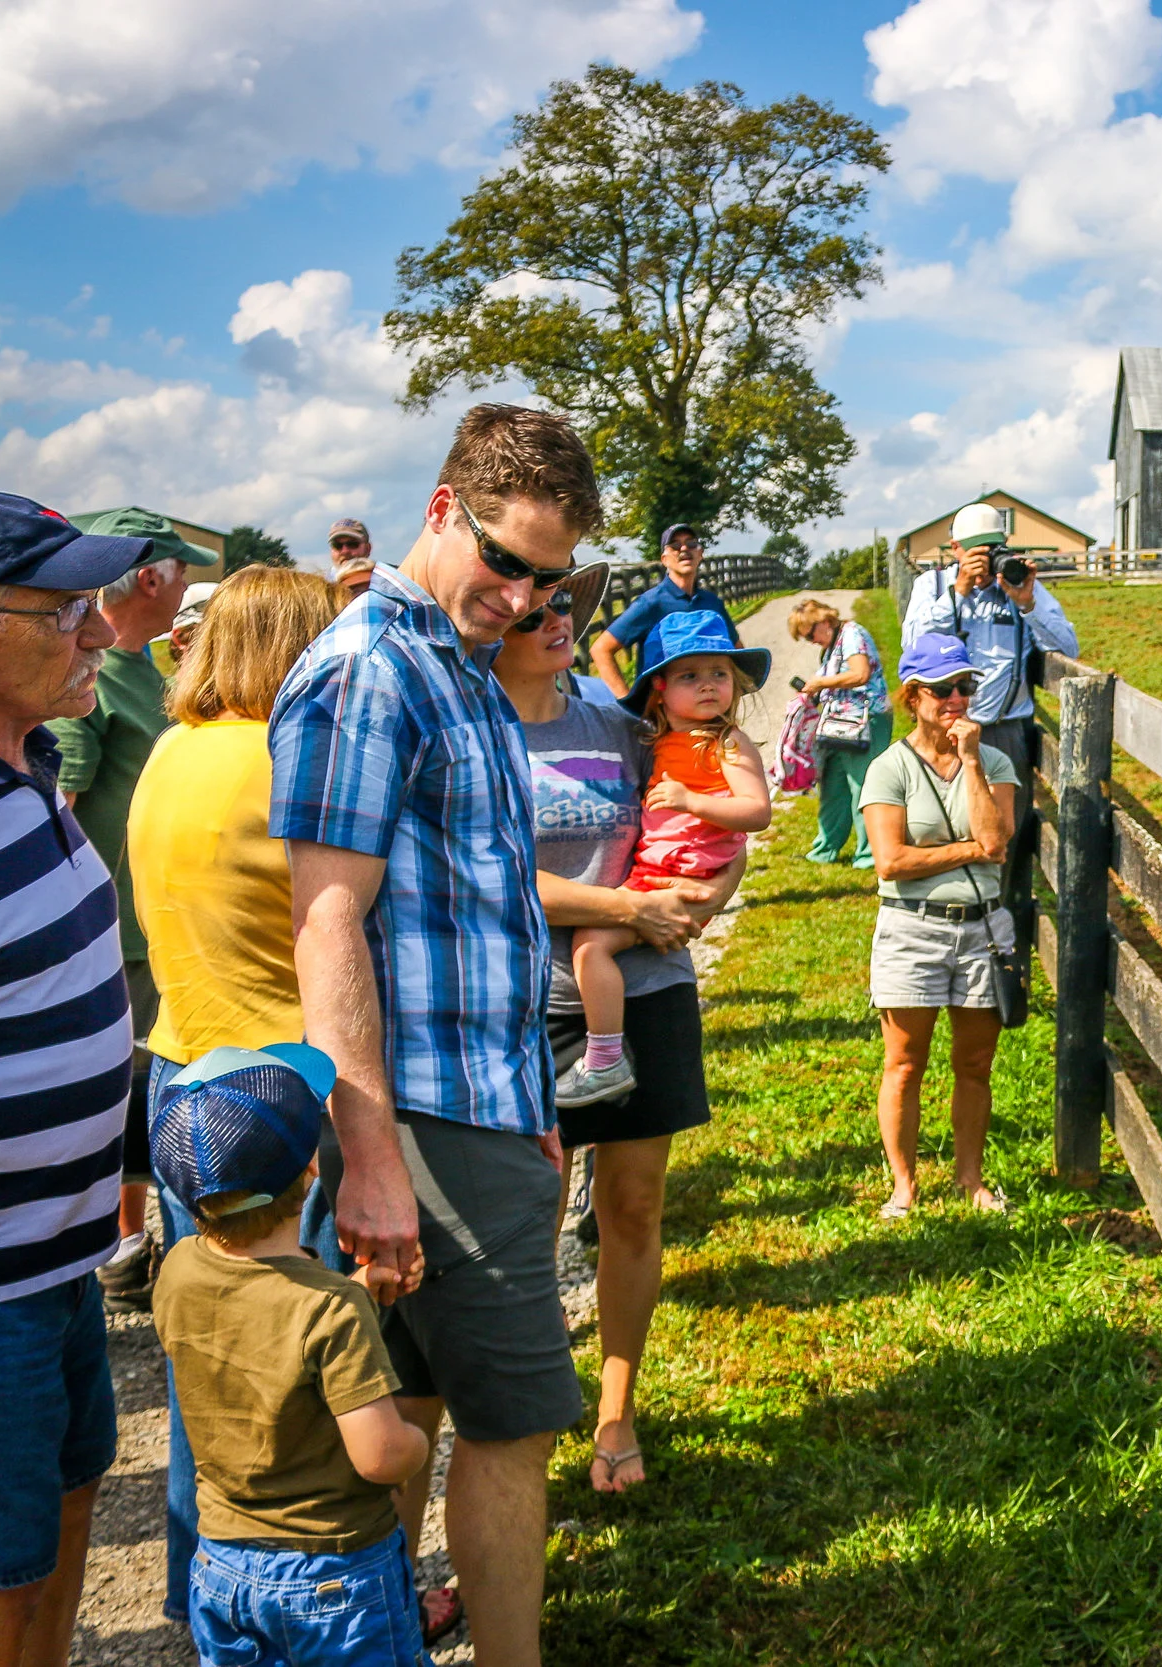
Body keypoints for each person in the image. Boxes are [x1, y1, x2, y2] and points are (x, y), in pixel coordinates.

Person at [271, 403, 593, 1667]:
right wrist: (370, 1151)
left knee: (405, 1404)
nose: (519, 594)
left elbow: (478, 920)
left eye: (548, 576)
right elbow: (326, 921)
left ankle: (384, 1642)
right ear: (443, 506)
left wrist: (534, 1111)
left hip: (473, 1108)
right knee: (512, 1430)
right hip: (419, 1121)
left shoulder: (454, 662)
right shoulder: (369, 664)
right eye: (504, 558)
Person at [0, 490, 157, 1667]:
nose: (103, 634)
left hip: (53, 1263)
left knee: (61, 1520)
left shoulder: (17, 759)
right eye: (65, 610)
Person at [128, 564, 357, 1633]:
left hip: (183, 1070)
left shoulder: (172, 750)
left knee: (209, 1352)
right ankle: (314, 1591)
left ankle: (199, 1581)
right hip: (282, 1091)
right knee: (308, 1358)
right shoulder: (285, 755)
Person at [493, 570, 742, 1496]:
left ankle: (614, 1410)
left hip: (650, 993)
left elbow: (716, 824)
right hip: (531, 1002)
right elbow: (497, 875)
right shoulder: (478, 734)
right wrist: (629, 904)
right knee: (531, 1216)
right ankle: (526, 1406)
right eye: (537, 610)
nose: (559, 620)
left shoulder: (623, 728)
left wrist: (705, 900)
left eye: (568, 606)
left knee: (632, 1211)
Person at [149, 1044, 435, 1667]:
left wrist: (359, 1295)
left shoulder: (175, 1272)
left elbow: (255, 1331)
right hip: (336, 1574)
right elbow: (382, 1455)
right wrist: (417, 1443)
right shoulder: (330, 1309)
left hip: (220, 1561)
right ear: (311, 1169)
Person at [51, 507, 221, 1316]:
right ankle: (137, 1258)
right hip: (117, 945)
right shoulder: (91, 679)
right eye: (181, 569)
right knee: (143, 1100)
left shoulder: (140, 666)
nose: (187, 582)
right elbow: (59, 810)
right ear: (150, 579)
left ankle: (150, 1256)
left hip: (154, 937)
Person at [561, 612, 772, 1107]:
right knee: (592, 943)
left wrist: (691, 801)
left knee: (591, 946)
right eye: (689, 676)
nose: (708, 687)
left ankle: (604, 1058)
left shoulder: (725, 742)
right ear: (659, 688)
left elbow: (757, 812)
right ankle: (606, 1053)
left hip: (678, 875)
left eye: (719, 674)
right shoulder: (660, 742)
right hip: (658, 872)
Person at [858, 632, 1019, 1219]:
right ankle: (903, 1184)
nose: (957, 698)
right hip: (912, 929)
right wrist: (967, 850)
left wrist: (972, 759)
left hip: (983, 929)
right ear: (913, 695)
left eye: (965, 687)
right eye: (944, 689)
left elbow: (997, 843)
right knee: (904, 1063)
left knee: (976, 1064)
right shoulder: (889, 767)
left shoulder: (992, 761)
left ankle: (969, 1179)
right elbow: (891, 862)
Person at [899, 502, 1076, 800]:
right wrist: (959, 591)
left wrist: (1027, 604)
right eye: (976, 551)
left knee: (1007, 826)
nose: (986, 560)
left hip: (1003, 730)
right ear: (956, 549)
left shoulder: (1018, 588)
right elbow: (913, 645)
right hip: (945, 727)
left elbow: (1068, 647)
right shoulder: (933, 585)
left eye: (993, 550)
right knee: (947, 818)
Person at [786, 597, 888, 867]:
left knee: (861, 786)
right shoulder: (835, 644)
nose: (810, 641)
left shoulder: (852, 634)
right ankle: (825, 848)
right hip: (840, 723)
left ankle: (868, 854)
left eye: (810, 634)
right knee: (833, 786)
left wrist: (820, 682)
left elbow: (860, 673)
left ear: (824, 621)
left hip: (865, 721)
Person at [589, 523, 727, 700]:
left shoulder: (712, 602)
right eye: (675, 546)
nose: (684, 549)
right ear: (664, 559)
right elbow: (601, 649)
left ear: (700, 554)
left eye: (691, 544)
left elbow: (736, 650)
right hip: (663, 714)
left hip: (710, 707)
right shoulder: (651, 603)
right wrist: (627, 705)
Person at [331, 518, 377, 599]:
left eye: (352, 544)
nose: (344, 551)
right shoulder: (321, 587)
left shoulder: (384, 581)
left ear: (368, 548)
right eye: (337, 545)